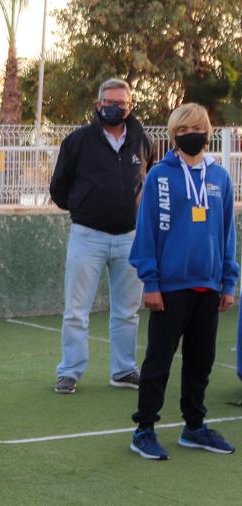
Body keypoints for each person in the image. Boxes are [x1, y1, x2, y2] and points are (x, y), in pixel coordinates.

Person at [128, 103, 238, 460]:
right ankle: (144, 429)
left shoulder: (220, 177)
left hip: (208, 286)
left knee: (201, 360)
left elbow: (227, 234)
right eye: (186, 128)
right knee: (159, 360)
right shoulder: (160, 175)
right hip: (170, 287)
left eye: (200, 127)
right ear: (174, 134)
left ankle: (194, 427)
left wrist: (229, 281)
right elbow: (146, 233)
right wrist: (151, 282)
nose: (195, 134)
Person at [48, 78, 153, 394]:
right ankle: (70, 372)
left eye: (122, 103)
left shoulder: (142, 140)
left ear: (130, 106)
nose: (115, 107)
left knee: (127, 312)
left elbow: (150, 183)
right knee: (76, 311)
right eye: (109, 102)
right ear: (98, 104)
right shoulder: (78, 141)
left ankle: (123, 371)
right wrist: (83, 210)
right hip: (87, 237)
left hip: (130, 239)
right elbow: (59, 187)